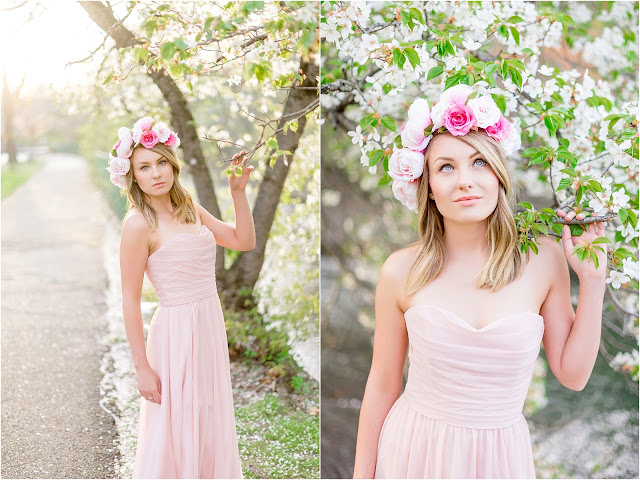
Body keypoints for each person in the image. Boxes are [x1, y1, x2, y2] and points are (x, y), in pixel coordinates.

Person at [353, 85, 607, 479]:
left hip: (499, 460)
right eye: (446, 167)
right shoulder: (400, 270)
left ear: (498, 174)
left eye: (479, 163)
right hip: (414, 452)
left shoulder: (543, 259)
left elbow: (573, 377)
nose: (465, 181)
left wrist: (592, 282)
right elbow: (383, 384)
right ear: (429, 189)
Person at [111, 117, 255, 478]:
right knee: (176, 422)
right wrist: (142, 366)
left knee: (208, 413)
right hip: (174, 333)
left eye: (161, 162)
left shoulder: (189, 205)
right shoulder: (137, 225)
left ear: (172, 164)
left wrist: (238, 193)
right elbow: (129, 300)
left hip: (208, 323)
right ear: (133, 176)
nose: (156, 173)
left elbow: (242, 242)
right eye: (144, 167)